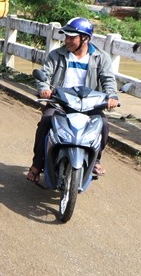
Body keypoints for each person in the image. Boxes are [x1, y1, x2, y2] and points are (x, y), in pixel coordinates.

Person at [27, 16, 119, 182]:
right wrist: (45, 89)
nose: (67, 41)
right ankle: (37, 164)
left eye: (72, 37)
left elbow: (108, 79)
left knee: (103, 125)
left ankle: (96, 159)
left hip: (89, 105)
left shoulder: (101, 57)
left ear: (85, 38)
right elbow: (45, 75)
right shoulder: (57, 55)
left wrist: (112, 96)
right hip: (60, 103)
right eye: (66, 37)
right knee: (46, 122)